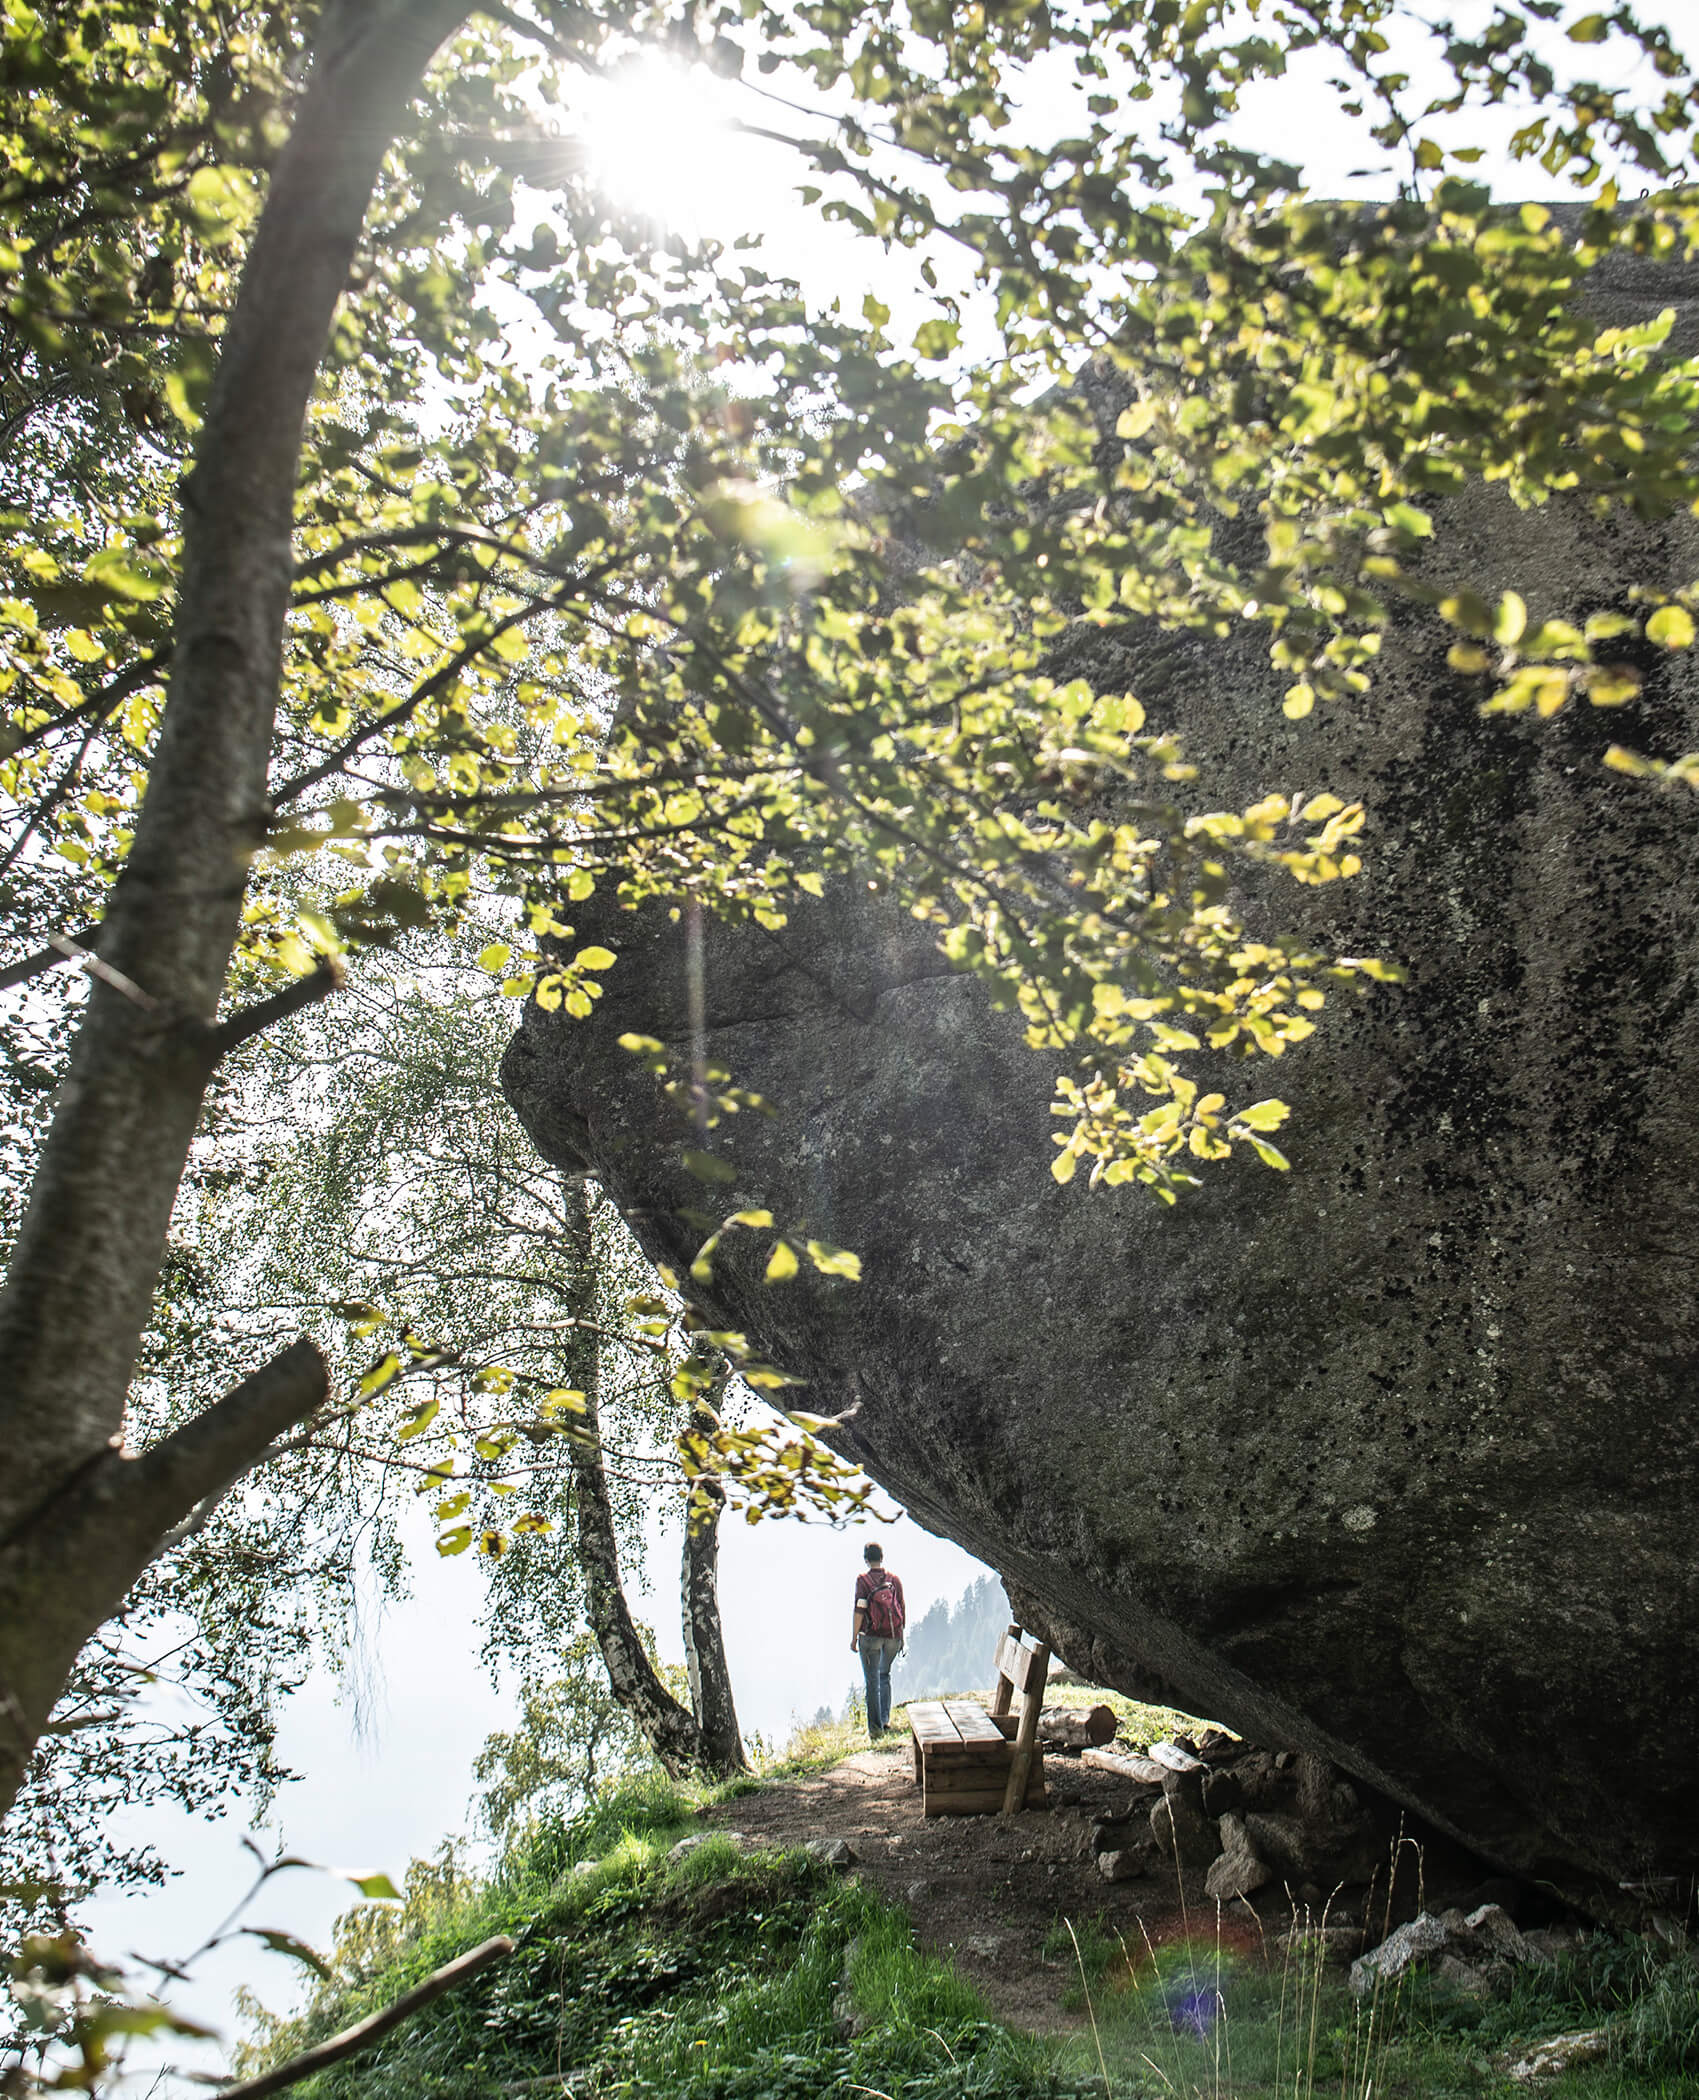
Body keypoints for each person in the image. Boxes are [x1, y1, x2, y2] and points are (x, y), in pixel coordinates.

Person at [851, 1540, 906, 1739]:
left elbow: (859, 1610)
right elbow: (901, 1607)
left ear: (866, 1559)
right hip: (893, 1636)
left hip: (871, 1637)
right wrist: (901, 1636)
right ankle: (884, 1719)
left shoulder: (863, 1581)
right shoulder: (894, 1580)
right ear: (881, 1558)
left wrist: (854, 1637)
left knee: (872, 1681)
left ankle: (875, 1730)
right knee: (885, 1675)